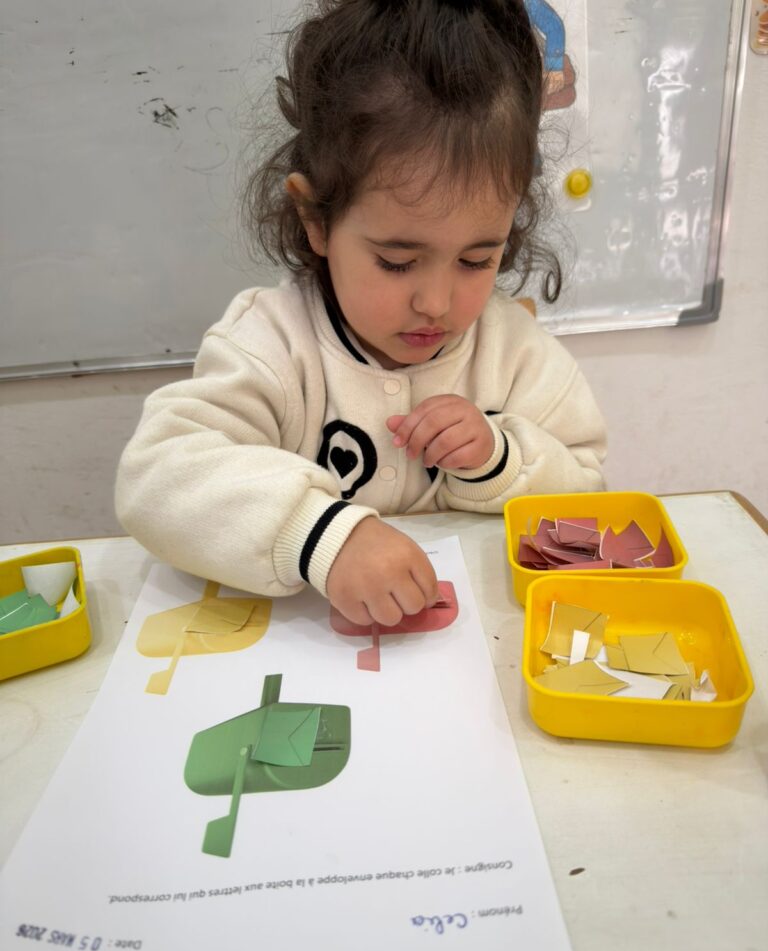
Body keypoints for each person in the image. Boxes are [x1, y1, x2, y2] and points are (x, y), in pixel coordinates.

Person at [116, 0, 606, 629]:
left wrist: (500, 459)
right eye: (397, 262)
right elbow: (156, 476)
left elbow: (588, 491)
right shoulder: (271, 343)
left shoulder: (515, 351)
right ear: (315, 219)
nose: (436, 303)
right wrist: (319, 534)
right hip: (305, 652)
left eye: (477, 259)